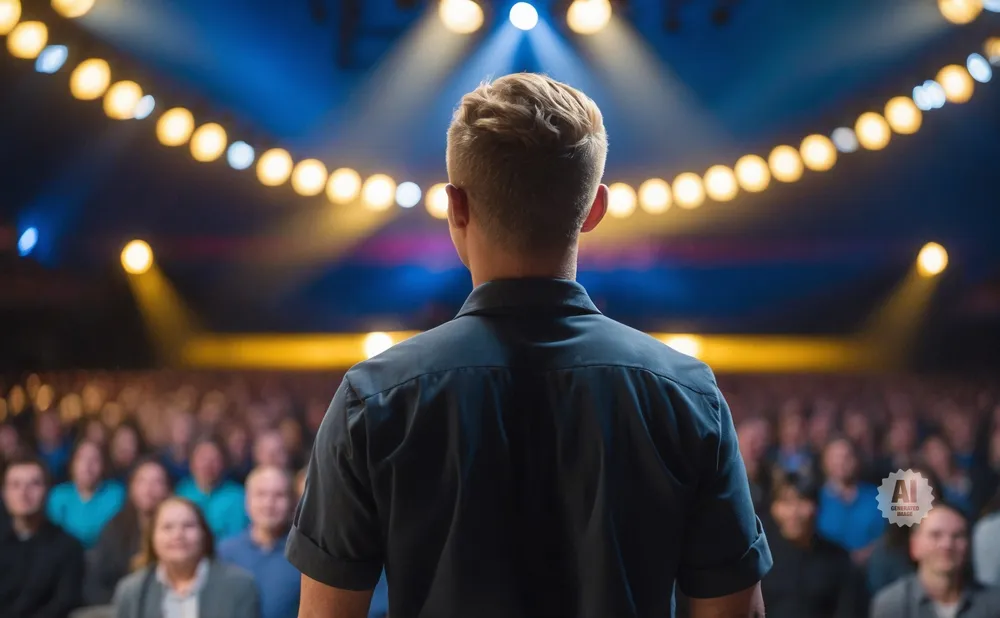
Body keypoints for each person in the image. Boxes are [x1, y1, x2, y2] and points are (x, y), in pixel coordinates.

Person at [287, 73, 772, 618]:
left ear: (456, 207)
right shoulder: (686, 395)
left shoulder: (373, 399)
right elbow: (734, 612)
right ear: (594, 209)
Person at [112, 496, 261, 618]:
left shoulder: (239, 586)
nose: (178, 535)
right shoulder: (132, 591)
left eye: (188, 526)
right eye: (167, 527)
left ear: (204, 534)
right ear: (152, 538)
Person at [761, 472, 868, 618]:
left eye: (802, 501)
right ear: (773, 508)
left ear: (817, 507)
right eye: (785, 502)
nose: (794, 512)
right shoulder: (760, 560)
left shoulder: (838, 560)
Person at [870, 503, 1000, 617]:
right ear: (914, 545)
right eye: (936, 535)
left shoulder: (993, 604)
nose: (947, 544)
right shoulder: (892, 605)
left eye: (958, 536)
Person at [0, 452, 84, 618]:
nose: (24, 492)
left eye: (34, 484)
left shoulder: (68, 547)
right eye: (15, 485)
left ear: (48, 491)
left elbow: (63, 603)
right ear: (4, 494)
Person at [85, 458, 171, 605]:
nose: (149, 489)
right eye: (142, 481)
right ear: (131, 488)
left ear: (168, 489)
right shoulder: (115, 528)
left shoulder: (174, 528)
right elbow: (98, 581)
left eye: (157, 482)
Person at [218, 466, 301, 618]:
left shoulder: (304, 555)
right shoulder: (224, 553)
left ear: (293, 503)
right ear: (247, 501)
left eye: (279, 495)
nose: (269, 504)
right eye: (261, 494)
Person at [816, 437, 885, 564]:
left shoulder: (877, 497)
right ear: (824, 462)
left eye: (846, 457)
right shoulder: (816, 500)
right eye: (835, 457)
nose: (841, 462)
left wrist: (867, 553)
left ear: (856, 460)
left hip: (871, 569)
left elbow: (888, 537)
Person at [46, 439, 126, 548]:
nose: (87, 466)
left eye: (95, 460)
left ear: (103, 465)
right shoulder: (58, 495)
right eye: (81, 459)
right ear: (72, 464)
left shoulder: (117, 494)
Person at [175, 436, 247, 540]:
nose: (207, 465)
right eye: (202, 459)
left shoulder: (238, 497)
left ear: (223, 463)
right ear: (191, 462)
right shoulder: (181, 493)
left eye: (214, 459)